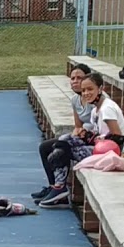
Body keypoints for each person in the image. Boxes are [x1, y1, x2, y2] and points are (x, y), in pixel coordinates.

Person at [36, 73, 124, 209]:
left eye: (90, 89)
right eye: (84, 90)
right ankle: (55, 187)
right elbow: (98, 132)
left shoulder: (107, 109)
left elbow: (117, 137)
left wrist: (94, 139)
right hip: (99, 147)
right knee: (54, 144)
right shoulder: (95, 110)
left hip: (110, 152)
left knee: (63, 149)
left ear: (100, 88)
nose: (86, 93)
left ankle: (60, 188)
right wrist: (86, 135)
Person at [31, 64, 96, 205]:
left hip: (95, 141)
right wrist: (76, 134)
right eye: (72, 78)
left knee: (62, 146)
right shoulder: (75, 100)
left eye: (79, 78)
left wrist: (78, 136)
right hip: (83, 138)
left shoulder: (95, 99)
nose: (75, 81)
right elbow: (78, 126)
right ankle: (54, 188)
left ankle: (60, 190)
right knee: (45, 147)